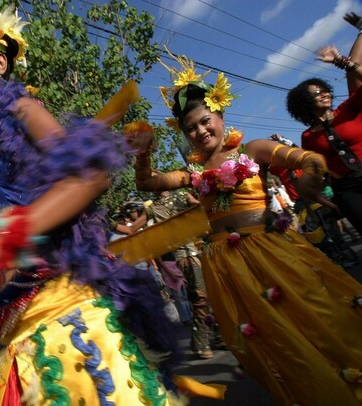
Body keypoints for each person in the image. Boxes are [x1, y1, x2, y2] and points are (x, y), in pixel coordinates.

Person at [0, 6, 195, 405]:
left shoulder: (20, 108)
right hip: (11, 331)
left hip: (63, 313)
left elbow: (91, 176)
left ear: (0, 61)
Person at [126, 49, 362, 405]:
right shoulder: (194, 174)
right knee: (272, 339)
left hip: (270, 251)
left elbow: (308, 159)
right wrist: (142, 153)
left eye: (206, 120)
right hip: (226, 266)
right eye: (191, 128)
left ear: (220, 115)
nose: (200, 130)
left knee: (316, 317)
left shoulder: (252, 150)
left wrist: (312, 179)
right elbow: (148, 184)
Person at [286, 12, 362, 234]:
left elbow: (355, 76)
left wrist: (342, 61)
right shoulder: (307, 138)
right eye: (315, 93)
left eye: (324, 90)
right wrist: (329, 201)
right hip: (349, 190)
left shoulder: (349, 108)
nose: (323, 94)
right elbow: (314, 176)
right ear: (304, 104)